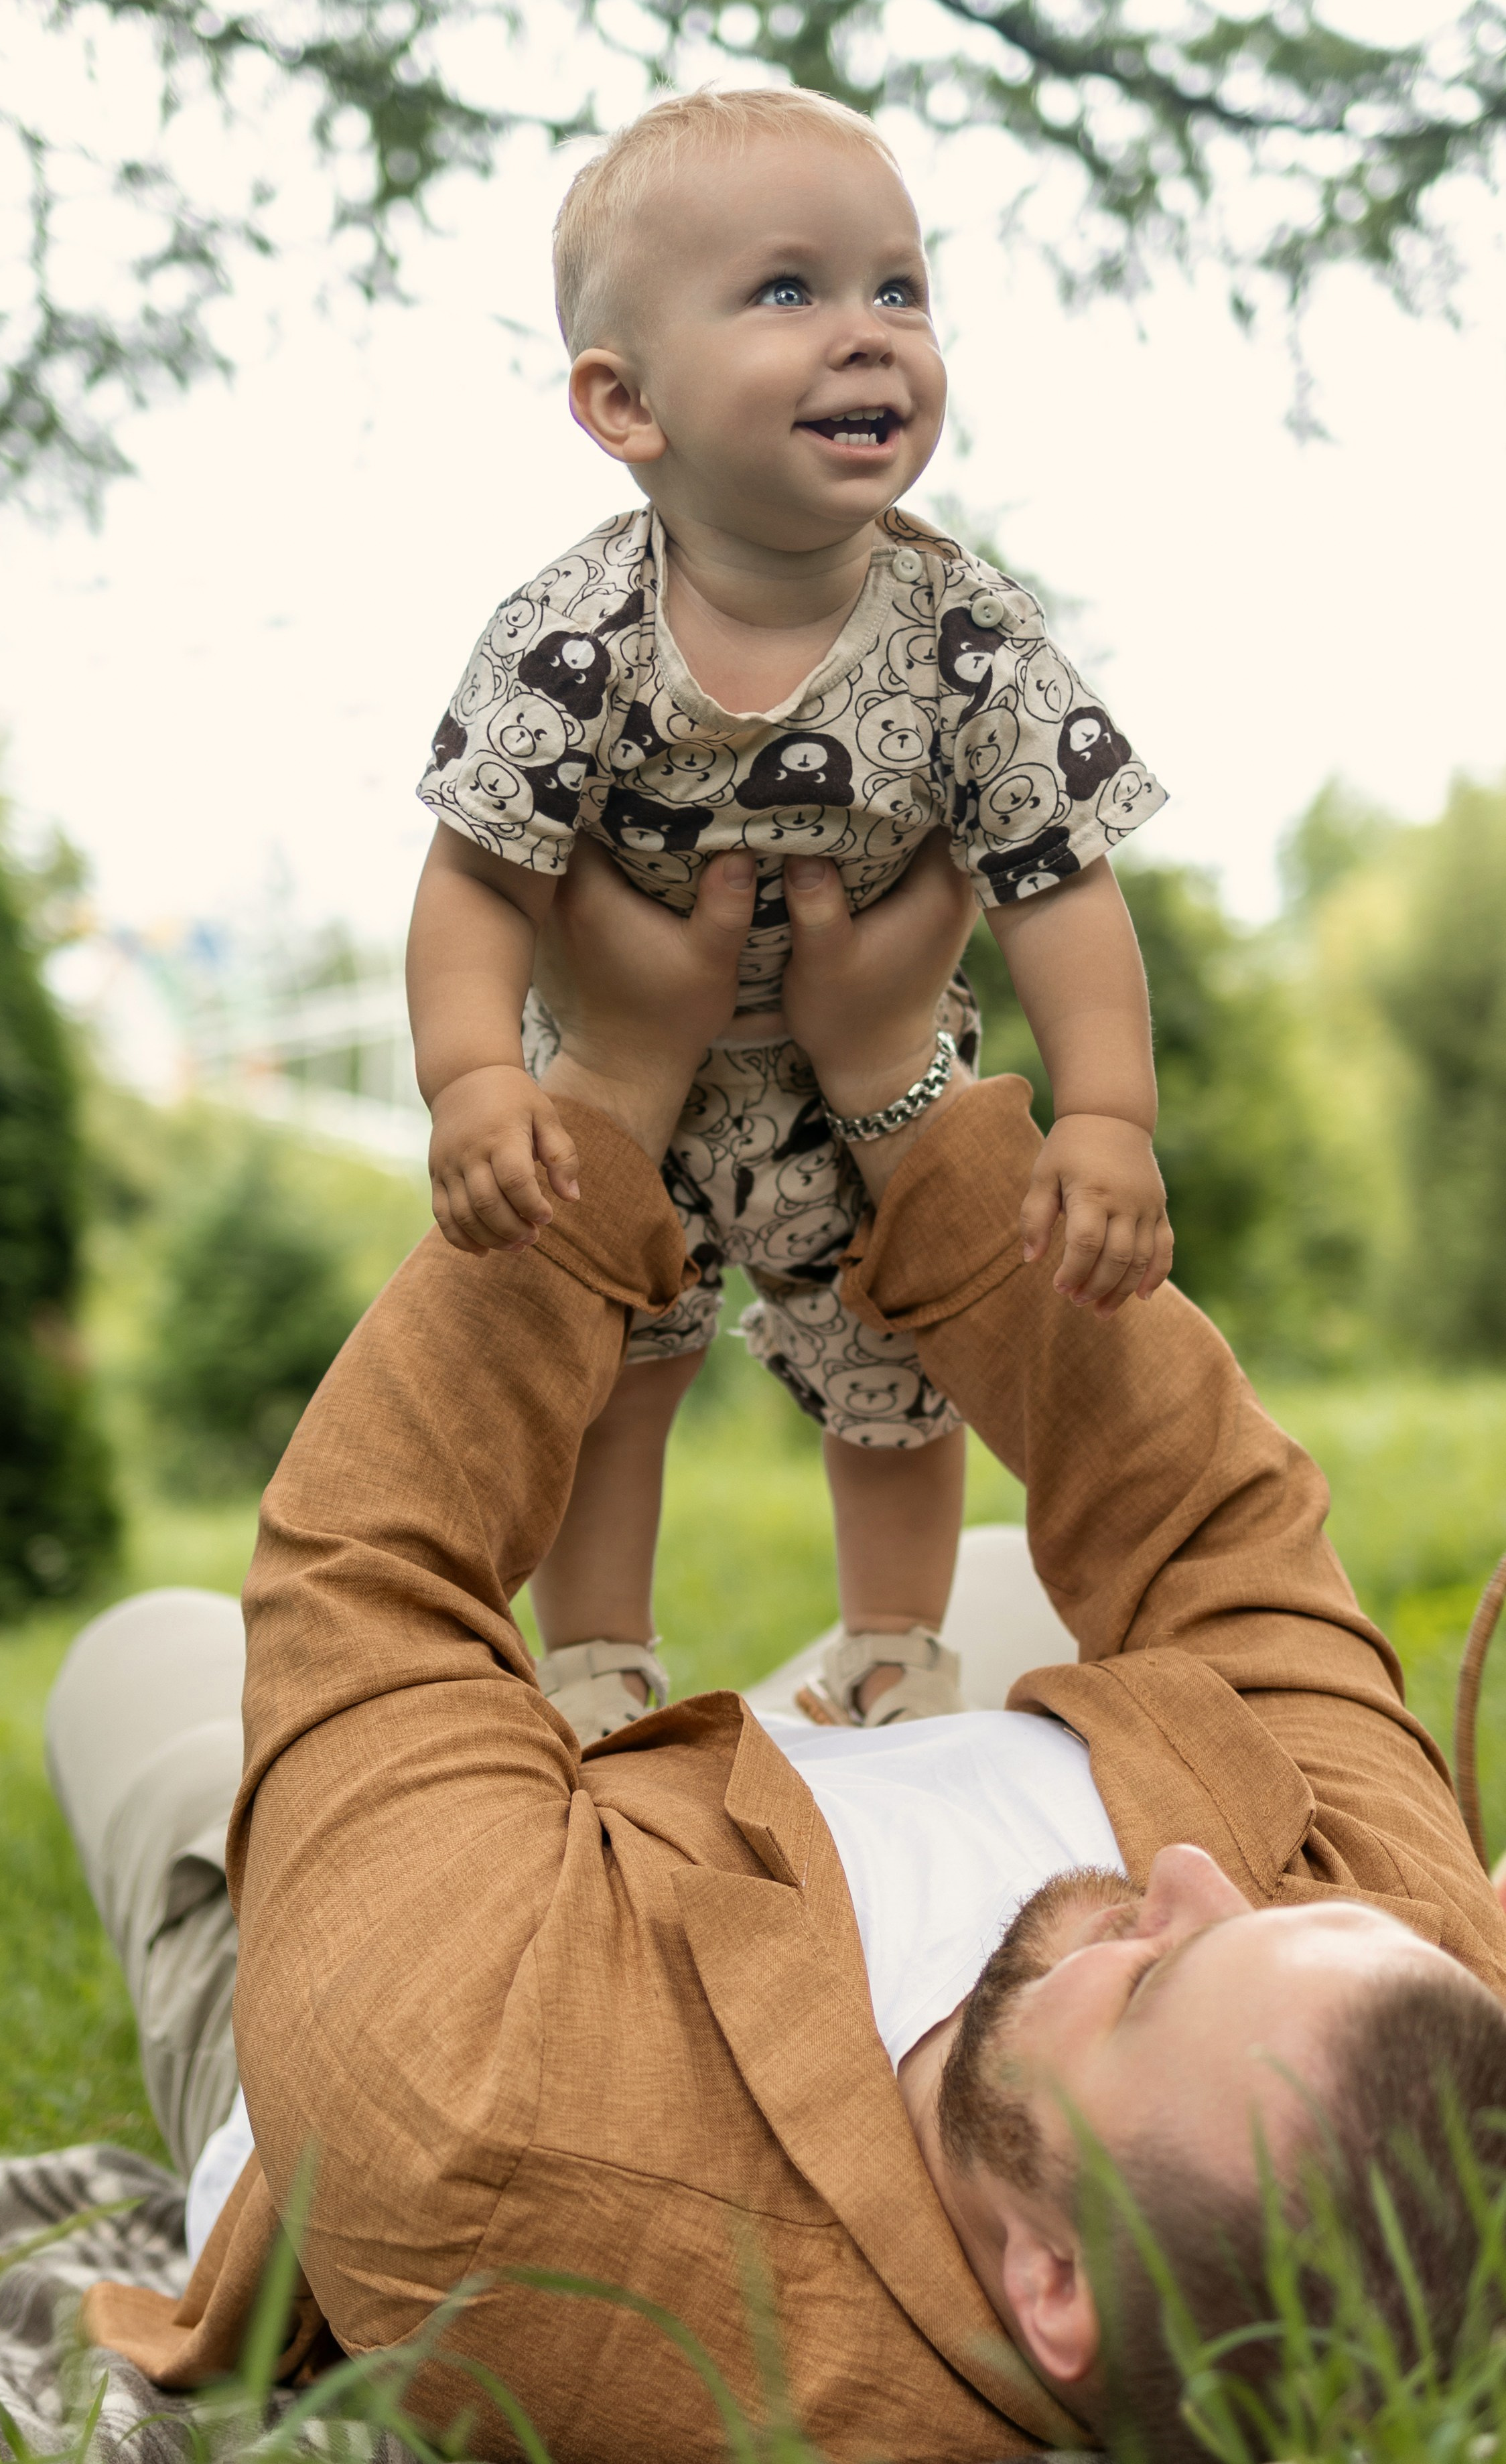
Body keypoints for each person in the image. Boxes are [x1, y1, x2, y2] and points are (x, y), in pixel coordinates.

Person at [74, 840, 1506, 2464]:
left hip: (476, 1912)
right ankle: (835, 1718)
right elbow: (1221, 1537)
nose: (1196, 1872)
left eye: (1157, 1977)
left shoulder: (516, 2143)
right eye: (1254, 1916)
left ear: (1049, 2287)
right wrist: (899, 1086)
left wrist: (608, 1085)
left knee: (146, 1663)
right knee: (991, 1572)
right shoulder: (1390, 1986)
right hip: (791, 1787)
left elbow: (371, 1577)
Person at [403, 84, 1174, 1743]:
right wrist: (474, 1081)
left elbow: (1060, 880)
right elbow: (478, 876)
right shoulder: (571, 637)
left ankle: (894, 1652)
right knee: (613, 1366)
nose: (867, 337)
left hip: (867, 1105)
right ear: (624, 403)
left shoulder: (966, 628)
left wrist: (1105, 1114)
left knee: (900, 1373)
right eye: (788, 292)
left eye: (899, 290)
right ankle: (599, 1664)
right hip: (621, 1092)